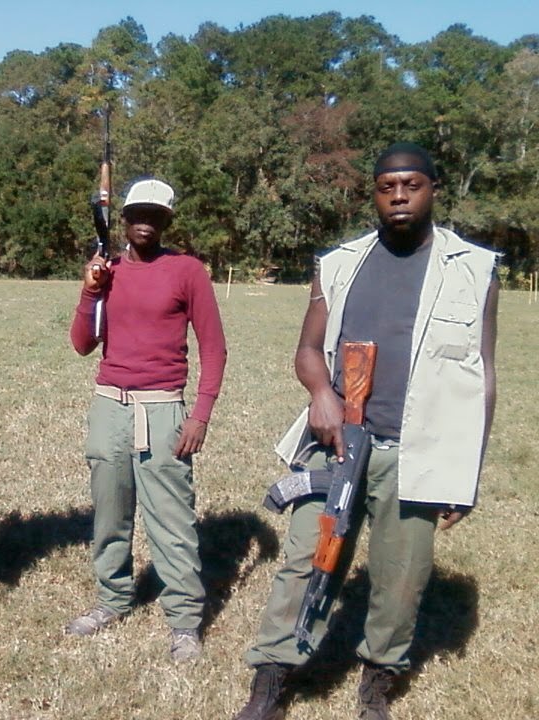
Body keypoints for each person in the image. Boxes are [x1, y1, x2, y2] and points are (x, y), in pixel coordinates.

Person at [233, 142, 499, 720]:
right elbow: (307, 349)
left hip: (419, 452)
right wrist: (321, 394)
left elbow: (483, 373)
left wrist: (465, 471)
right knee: (306, 559)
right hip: (336, 442)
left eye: (412, 184)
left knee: (401, 581)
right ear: (373, 194)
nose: (399, 195)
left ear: (433, 188)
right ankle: (272, 678)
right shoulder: (339, 264)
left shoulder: (475, 269)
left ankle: (377, 681)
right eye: (386, 186)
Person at [66, 178, 228, 662]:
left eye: (155, 215)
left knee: (171, 521)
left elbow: (214, 347)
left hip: (162, 409)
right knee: (110, 514)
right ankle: (112, 599)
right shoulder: (107, 270)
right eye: (137, 212)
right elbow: (81, 343)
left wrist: (200, 413)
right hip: (108, 405)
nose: (144, 221)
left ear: (166, 220)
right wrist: (90, 291)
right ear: (124, 217)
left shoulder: (187, 271)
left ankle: (184, 622)